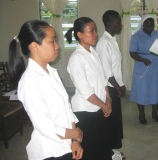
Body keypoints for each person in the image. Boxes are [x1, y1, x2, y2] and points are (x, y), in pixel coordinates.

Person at [8, 20, 83, 160]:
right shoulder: (29, 82)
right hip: (49, 152)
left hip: (66, 145)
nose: (57, 47)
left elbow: (66, 108)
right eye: (52, 41)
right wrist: (75, 133)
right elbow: (46, 126)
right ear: (35, 46)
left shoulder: (51, 72)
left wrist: (74, 141)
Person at [65, 17, 112, 160]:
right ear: (80, 34)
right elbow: (86, 92)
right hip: (85, 111)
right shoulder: (77, 59)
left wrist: (108, 99)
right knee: (90, 149)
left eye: (95, 30)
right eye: (91, 31)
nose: (95, 34)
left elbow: (103, 79)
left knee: (102, 146)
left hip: (98, 108)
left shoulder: (93, 52)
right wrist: (104, 105)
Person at [96, 10, 126, 160]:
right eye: (117, 22)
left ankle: (111, 151)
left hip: (115, 87)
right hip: (109, 89)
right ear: (109, 23)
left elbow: (115, 67)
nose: (120, 25)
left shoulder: (112, 40)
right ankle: (107, 152)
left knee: (114, 122)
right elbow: (107, 71)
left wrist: (121, 84)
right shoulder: (103, 44)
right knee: (109, 122)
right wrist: (118, 87)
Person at [129, 15, 158, 125]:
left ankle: (155, 113)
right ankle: (142, 115)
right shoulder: (136, 37)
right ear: (143, 24)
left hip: (156, 66)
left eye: (151, 26)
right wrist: (143, 60)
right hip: (143, 65)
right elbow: (132, 53)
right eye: (147, 26)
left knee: (156, 89)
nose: (149, 28)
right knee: (142, 90)